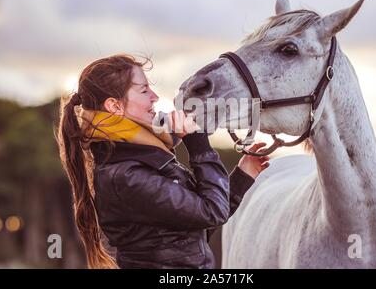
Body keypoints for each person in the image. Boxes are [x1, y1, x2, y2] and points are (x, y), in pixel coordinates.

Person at [57, 54, 269, 269]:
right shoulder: (125, 176)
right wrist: (198, 144)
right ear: (114, 106)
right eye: (143, 90)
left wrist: (243, 176)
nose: (155, 97)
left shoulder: (136, 160)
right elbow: (210, 212)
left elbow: (194, 231)